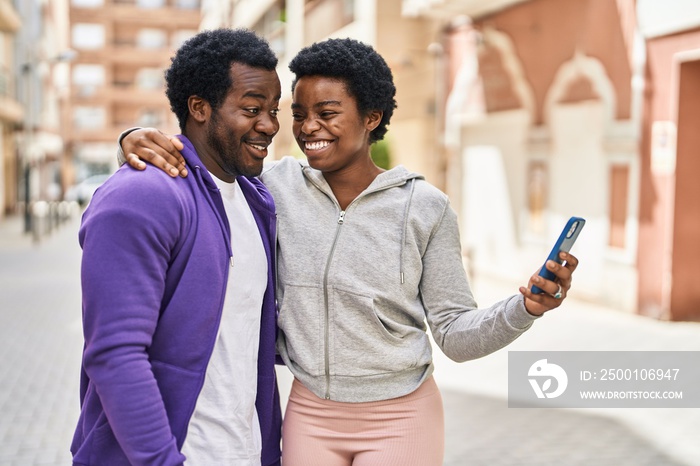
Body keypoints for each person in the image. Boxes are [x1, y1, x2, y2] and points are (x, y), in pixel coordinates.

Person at [119, 38, 579, 466]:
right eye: (299, 113)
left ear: (372, 117)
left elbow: (455, 334)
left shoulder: (425, 208)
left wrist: (525, 308)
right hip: (309, 413)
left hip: (401, 417)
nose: (307, 127)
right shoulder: (271, 186)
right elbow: (209, 153)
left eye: (327, 112)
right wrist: (132, 139)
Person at [72, 29, 283, 465]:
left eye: (273, 109)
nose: (270, 125)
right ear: (199, 108)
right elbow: (116, 354)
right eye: (251, 109)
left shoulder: (256, 199)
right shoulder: (143, 197)